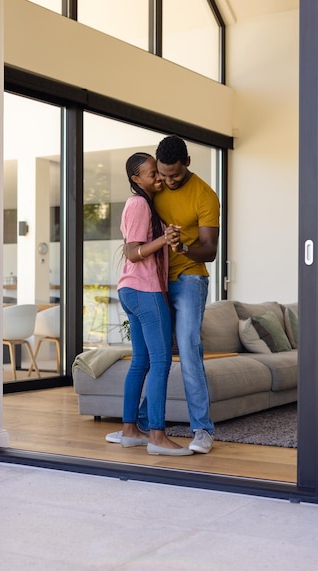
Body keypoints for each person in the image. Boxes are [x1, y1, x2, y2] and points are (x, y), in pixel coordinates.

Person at [106, 152, 193, 456]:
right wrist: (164, 239)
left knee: (141, 361)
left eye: (158, 172)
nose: (158, 178)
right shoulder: (139, 203)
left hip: (133, 291)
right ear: (136, 179)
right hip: (145, 291)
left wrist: (167, 237)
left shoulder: (144, 205)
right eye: (152, 174)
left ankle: (131, 431)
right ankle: (157, 435)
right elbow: (133, 252)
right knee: (161, 362)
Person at [154, 134, 220, 454]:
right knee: (155, 353)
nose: (169, 181)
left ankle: (202, 429)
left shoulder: (205, 195)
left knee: (190, 349)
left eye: (175, 175)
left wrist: (183, 248)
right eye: (164, 175)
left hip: (190, 278)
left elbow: (210, 251)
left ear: (188, 164)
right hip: (156, 281)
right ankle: (146, 424)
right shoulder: (155, 188)